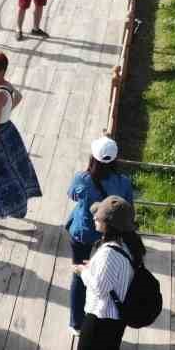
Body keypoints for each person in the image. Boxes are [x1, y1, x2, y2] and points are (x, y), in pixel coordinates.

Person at [61, 196, 146, 350]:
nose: (95, 218)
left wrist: (82, 271)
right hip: (117, 319)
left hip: (101, 316)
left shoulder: (109, 251)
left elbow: (99, 287)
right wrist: (94, 268)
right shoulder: (129, 245)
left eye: (98, 216)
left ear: (109, 224)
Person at [65, 137, 134, 334]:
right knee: (102, 276)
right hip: (109, 239)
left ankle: (76, 323)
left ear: (93, 158)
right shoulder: (124, 183)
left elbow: (72, 195)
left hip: (83, 234)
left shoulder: (83, 179)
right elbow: (127, 207)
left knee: (79, 275)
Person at [0, 52, 42, 223]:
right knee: (8, 173)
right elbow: (18, 97)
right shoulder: (6, 86)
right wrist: (7, 112)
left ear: (2, 71)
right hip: (7, 132)